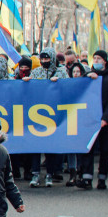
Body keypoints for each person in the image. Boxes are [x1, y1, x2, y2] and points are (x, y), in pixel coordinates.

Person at [23, 48, 68, 188]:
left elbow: (69, 87)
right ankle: (35, 173)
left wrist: (59, 82)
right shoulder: (36, 72)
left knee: (50, 146)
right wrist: (26, 82)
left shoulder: (61, 72)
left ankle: (50, 174)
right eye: (42, 59)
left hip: (53, 114)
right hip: (37, 113)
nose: (44, 62)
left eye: (47, 59)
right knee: (36, 145)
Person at [78, 50, 108, 190]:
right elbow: (79, 86)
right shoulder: (89, 76)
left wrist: (106, 119)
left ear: (105, 61)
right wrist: (88, 75)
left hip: (106, 122)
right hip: (90, 120)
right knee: (88, 149)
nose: (96, 60)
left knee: (105, 151)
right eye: (94, 58)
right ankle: (87, 178)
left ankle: (102, 178)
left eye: (99, 58)